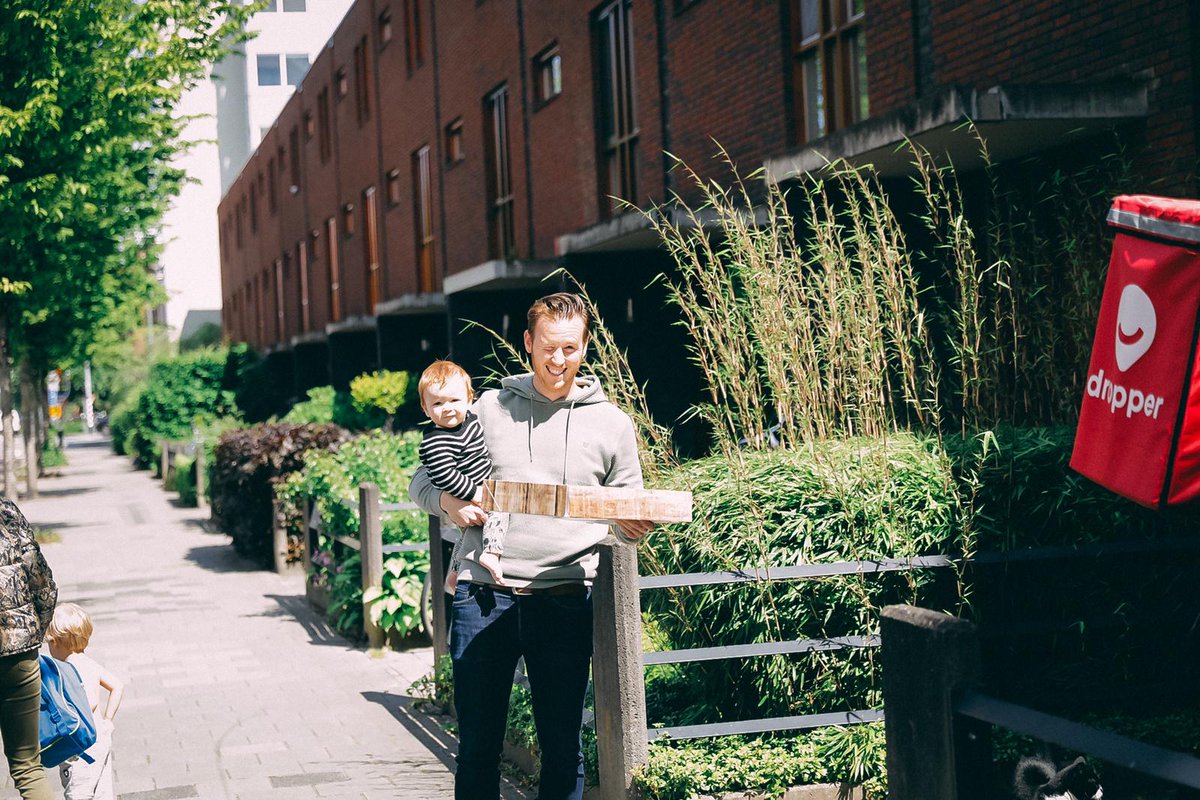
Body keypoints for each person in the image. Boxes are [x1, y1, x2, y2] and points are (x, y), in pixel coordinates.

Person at [409, 292, 654, 800]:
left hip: (565, 597)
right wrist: (449, 507)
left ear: (585, 347)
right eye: (547, 347)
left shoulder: (612, 423)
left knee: (563, 747)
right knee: (477, 746)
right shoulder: (488, 409)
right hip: (483, 594)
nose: (557, 359)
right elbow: (421, 481)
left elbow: (629, 508)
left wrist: (634, 526)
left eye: (569, 347)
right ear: (528, 343)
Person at [417, 360, 508, 589]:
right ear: (425, 409)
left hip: (474, 486)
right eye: (437, 403)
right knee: (501, 511)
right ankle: (491, 553)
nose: (447, 408)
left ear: (470, 399)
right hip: (469, 489)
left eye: (454, 400)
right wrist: (474, 493)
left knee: (467, 534)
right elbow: (445, 476)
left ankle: (455, 571)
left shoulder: (469, 421)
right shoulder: (437, 441)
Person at [0, 498, 58, 800]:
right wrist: (34, 633)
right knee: (27, 766)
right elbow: (43, 584)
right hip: (18, 653)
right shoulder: (6, 512)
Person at [45, 603, 124, 800]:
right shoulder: (89, 663)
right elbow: (117, 686)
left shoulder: (67, 669)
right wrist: (108, 720)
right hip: (102, 737)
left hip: (82, 748)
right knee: (102, 792)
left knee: (78, 792)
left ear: (56, 643)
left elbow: (89, 702)